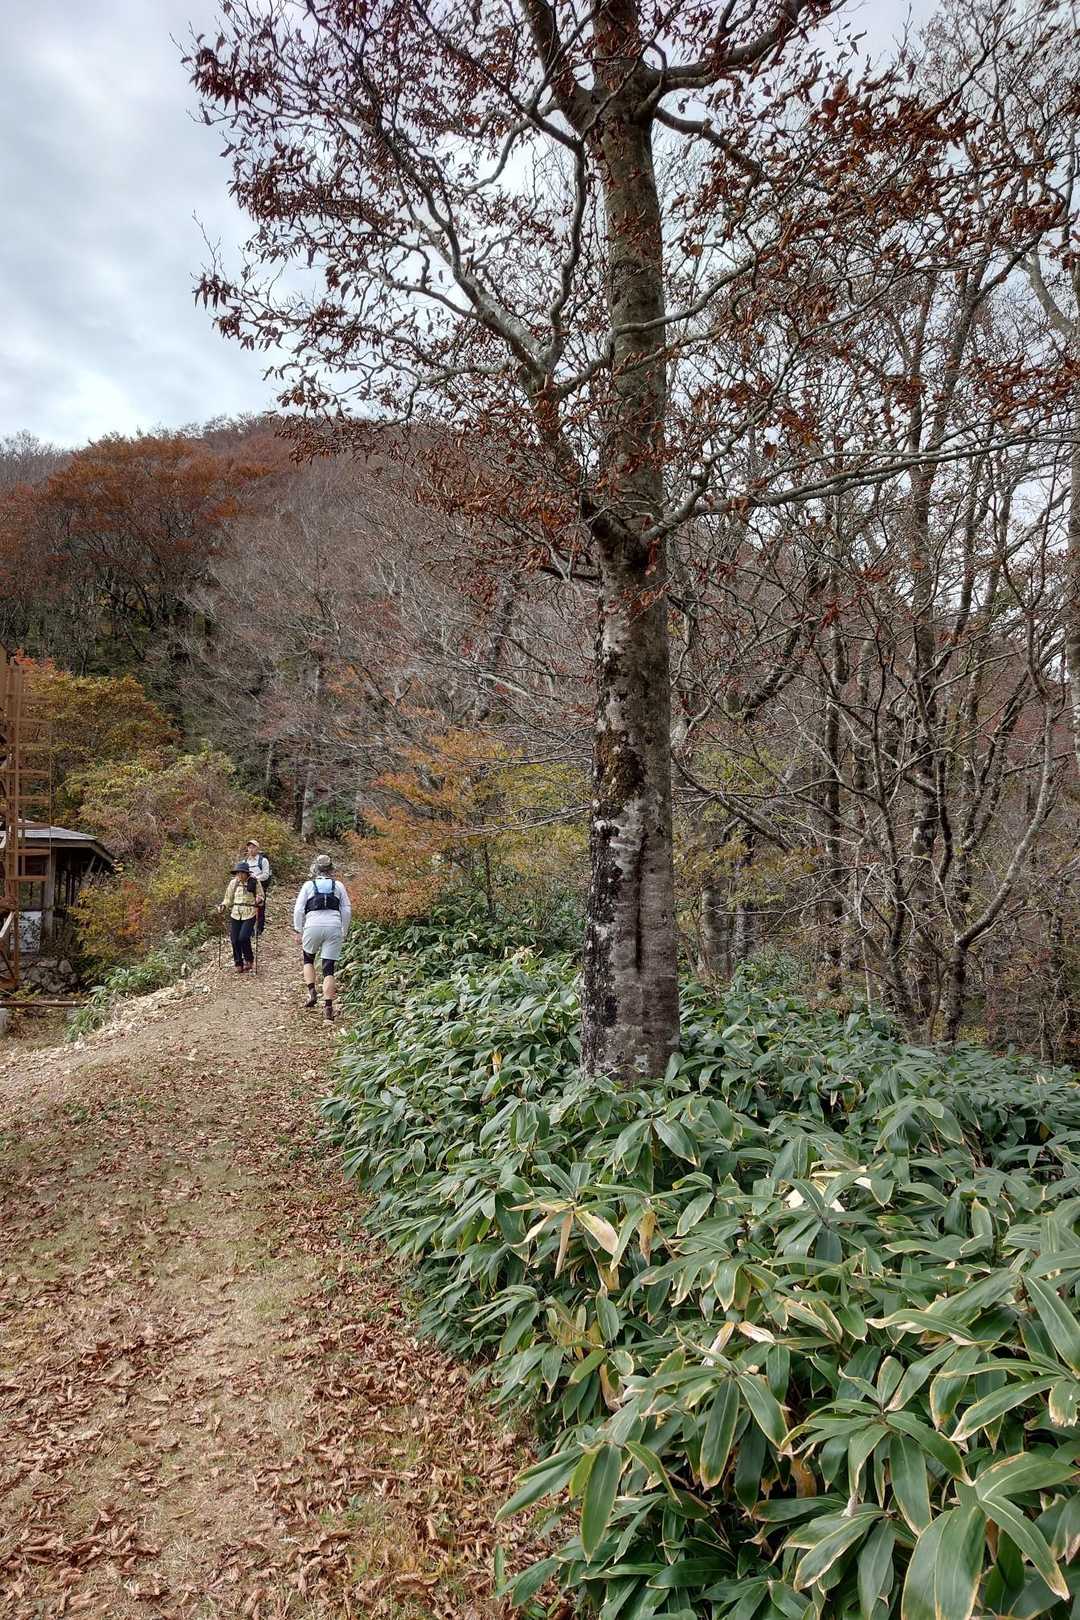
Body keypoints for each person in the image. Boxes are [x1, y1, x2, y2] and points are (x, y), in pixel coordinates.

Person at [292, 853, 352, 1020]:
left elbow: (298, 909)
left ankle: (312, 991)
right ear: (331, 869)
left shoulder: (308, 885)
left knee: (308, 958)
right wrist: (344, 930)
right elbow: (346, 909)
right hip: (333, 926)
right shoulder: (338, 885)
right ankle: (328, 1008)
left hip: (312, 925)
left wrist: (298, 930)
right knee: (328, 968)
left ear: (316, 869)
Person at [221, 861, 264, 973]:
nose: (239, 875)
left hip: (250, 912)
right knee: (234, 939)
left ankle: (249, 959)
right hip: (235, 913)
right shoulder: (233, 883)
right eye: (238, 873)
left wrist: (259, 900)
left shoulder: (254, 882)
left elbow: (261, 896)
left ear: (246, 873)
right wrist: (223, 906)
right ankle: (238, 962)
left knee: (243, 937)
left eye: (242, 873)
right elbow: (228, 899)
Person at [244, 839, 272, 934]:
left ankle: (259, 928)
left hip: (260, 886)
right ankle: (250, 928)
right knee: (249, 907)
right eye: (249, 847)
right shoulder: (245, 861)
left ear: (257, 849)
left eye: (253, 847)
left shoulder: (263, 861)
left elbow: (266, 875)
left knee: (260, 907)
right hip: (248, 887)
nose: (251, 849)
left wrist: (255, 878)